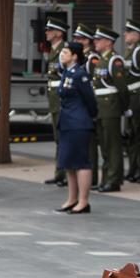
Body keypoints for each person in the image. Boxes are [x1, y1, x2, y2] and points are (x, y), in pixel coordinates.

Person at [54, 42, 98, 214]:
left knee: (81, 162)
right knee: (68, 163)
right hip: (67, 122)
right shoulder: (67, 72)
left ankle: (83, 201)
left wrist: (90, 117)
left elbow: (90, 100)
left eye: (65, 52)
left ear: (74, 56)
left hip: (79, 123)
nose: (61, 55)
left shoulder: (81, 74)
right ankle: (72, 199)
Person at [92, 25, 129, 192]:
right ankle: (106, 177)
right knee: (105, 145)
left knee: (113, 146)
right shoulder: (102, 60)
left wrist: (124, 107)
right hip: (101, 107)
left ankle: (114, 180)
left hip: (111, 106)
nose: (95, 42)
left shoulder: (115, 61)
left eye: (98, 40)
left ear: (108, 42)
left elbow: (122, 88)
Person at [72, 23, 101, 188]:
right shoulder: (82, 57)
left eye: (81, 38)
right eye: (76, 38)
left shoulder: (92, 58)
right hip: (80, 103)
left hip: (89, 102)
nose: (78, 41)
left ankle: (93, 177)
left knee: (90, 144)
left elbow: (91, 82)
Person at [122, 19, 140, 183]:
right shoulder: (129, 51)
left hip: (136, 97)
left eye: (129, 32)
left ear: (137, 35)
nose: (125, 34)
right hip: (130, 97)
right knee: (131, 136)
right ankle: (134, 168)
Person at [43, 17, 69, 187]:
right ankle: (59, 172)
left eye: (50, 30)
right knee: (58, 137)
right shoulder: (54, 50)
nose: (46, 32)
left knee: (63, 137)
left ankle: (65, 172)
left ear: (59, 33)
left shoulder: (63, 52)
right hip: (54, 99)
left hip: (60, 99)